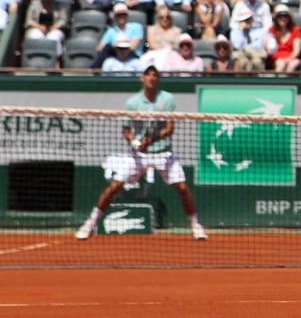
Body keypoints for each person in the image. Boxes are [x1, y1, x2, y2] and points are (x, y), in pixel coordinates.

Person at [76, 67, 207, 240]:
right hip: (138, 155)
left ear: (158, 79)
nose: (151, 78)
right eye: (148, 75)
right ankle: (91, 223)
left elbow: (170, 128)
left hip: (163, 154)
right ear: (142, 78)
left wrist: (151, 140)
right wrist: (135, 143)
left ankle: (195, 225)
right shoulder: (132, 103)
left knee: (182, 188)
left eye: (155, 75)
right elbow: (126, 130)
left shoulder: (167, 99)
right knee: (114, 187)